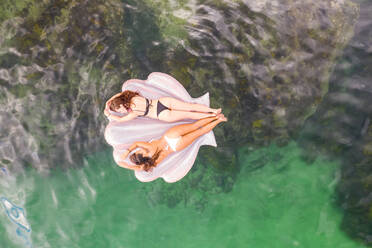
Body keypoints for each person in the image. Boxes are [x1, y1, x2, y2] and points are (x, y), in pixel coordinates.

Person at [117, 114, 227, 172]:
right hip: (170, 136)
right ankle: (215, 116)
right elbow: (136, 143)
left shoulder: (151, 163)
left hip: (175, 146)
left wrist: (127, 165)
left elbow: (138, 168)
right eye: (137, 152)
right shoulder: (148, 148)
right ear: (140, 154)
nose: (138, 149)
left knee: (200, 132)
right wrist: (127, 153)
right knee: (195, 126)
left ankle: (219, 120)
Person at [104, 90, 221, 122]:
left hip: (161, 114)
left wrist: (109, 114)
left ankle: (211, 116)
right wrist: (108, 101)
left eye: (119, 110)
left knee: (188, 114)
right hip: (162, 102)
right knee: (190, 106)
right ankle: (213, 110)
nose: (121, 112)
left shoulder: (134, 112)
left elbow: (120, 120)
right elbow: (119, 94)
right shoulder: (131, 96)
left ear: (121, 106)